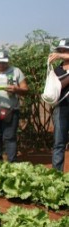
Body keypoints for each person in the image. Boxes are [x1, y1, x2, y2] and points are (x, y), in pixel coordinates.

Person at [48, 38, 69, 172]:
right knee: (59, 143)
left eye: (65, 50)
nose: (62, 52)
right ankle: (57, 176)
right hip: (62, 108)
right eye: (60, 50)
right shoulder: (57, 70)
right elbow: (55, 89)